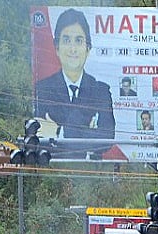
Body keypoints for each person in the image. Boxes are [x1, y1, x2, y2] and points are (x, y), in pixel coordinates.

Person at [33, 8, 116, 140]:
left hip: (90, 155)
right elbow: (39, 134)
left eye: (78, 41)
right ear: (57, 48)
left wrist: (59, 132)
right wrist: (89, 133)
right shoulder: (43, 89)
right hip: (53, 156)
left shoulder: (101, 91)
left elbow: (107, 137)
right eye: (66, 40)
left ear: (88, 48)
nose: (73, 49)